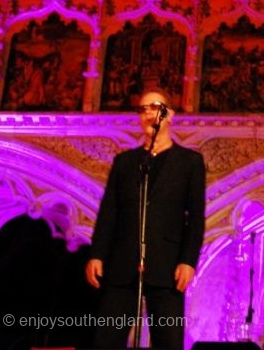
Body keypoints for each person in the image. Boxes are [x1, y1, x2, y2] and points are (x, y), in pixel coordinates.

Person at [85, 88, 206, 350]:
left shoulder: (189, 162)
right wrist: (97, 254)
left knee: (169, 341)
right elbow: (109, 212)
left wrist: (188, 261)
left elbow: (195, 218)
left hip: (167, 264)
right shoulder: (125, 162)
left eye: (156, 107)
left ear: (170, 115)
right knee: (106, 340)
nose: (149, 113)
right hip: (123, 262)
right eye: (144, 109)